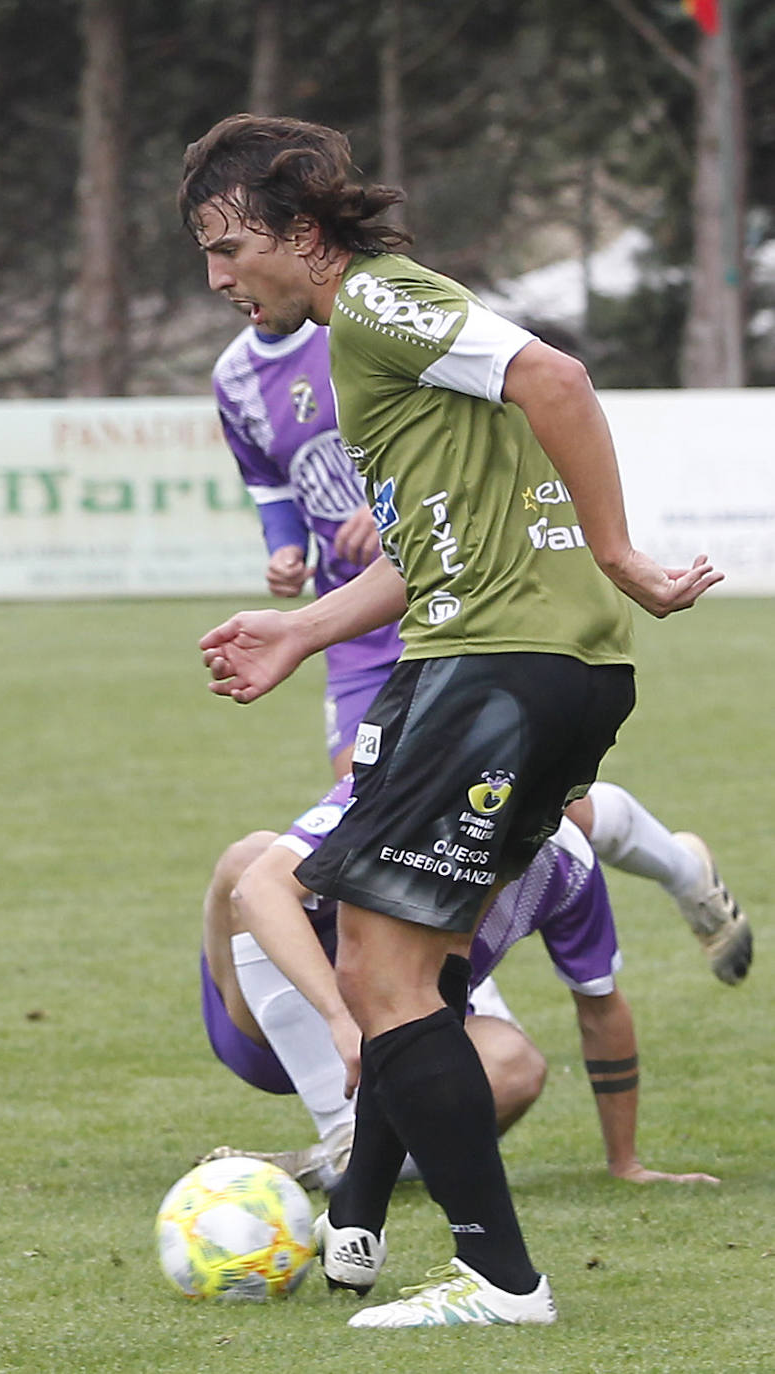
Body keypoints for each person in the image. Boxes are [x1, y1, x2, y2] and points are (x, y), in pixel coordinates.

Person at [181, 113, 722, 1329]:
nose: (216, 279)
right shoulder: (379, 331)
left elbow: (559, 379)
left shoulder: (371, 302)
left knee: (375, 963)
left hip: (492, 663)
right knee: (421, 963)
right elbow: (436, 540)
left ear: (300, 232)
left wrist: (619, 550)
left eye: (227, 247)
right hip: (531, 663)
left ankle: (499, 1279)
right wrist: (305, 630)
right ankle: (361, 1221)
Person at [214, 316, 751, 983]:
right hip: (355, 626)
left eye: (230, 247)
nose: (219, 274)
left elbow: (479, 430)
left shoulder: (375, 320)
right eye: (210, 249)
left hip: (467, 600)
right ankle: (435, 1007)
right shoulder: (236, 375)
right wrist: (285, 549)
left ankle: (676, 871)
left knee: (541, 815)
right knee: (381, 827)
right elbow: (272, 486)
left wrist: (391, 509)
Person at [198, 784, 720, 1202]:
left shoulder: (567, 868)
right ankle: (341, 1135)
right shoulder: (401, 788)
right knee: (249, 859)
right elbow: (259, 890)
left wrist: (625, 1163)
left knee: (515, 1066)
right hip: (272, 1031)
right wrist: (338, 1016)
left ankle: (329, 1164)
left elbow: (600, 1007)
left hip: (399, 1042)